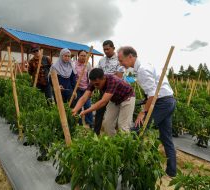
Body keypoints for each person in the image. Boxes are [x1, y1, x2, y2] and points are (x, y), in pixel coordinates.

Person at [117, 46, 177, 177]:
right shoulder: (136, 68)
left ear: (130, 57)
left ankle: (130, 163)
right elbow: (127, 80)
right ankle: (172, 171)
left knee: (137, 130)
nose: (120, 63)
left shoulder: (143, 69)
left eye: (122, 60)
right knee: (166, 138)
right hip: (168, 101)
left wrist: (142, 112)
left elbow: (152, 94)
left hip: (161, 102)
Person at [72, 68, 135, 136]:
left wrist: (85, 111)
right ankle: (113, 142)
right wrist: (75, 110)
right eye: (94, 84)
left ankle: (126, 145)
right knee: (107, 124)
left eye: (97, 84)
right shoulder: (94, 81)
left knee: (123, 126)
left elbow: (103, 102)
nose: (95, 86)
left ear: (103, 78)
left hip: (127, 98)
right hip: (114, 99)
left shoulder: (113, 81)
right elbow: (84, 97)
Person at [94, 40, 125, 134]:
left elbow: (119, 76)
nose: (106, 51)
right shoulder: (101, 61)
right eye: (104, 49)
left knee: (116, 114)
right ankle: (96, 133)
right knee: (99, 111)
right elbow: (97, 75)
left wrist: (106, 78)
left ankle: (116, 134)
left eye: (108, 49)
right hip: (104, 90)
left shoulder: (119, 60)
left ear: (113, 48)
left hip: (115, 90)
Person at [72, 50, 93, 128]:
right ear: (78, 56)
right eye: (82, 55)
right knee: (78, 106)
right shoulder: (73, 64)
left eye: (85, 55)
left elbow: (91, 77)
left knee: (88, 106)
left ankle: (90, 123)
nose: (83, 57)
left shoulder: (88, 64)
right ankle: (79, 123)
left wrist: (91, 89)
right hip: (77, 88)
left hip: (86, 88)